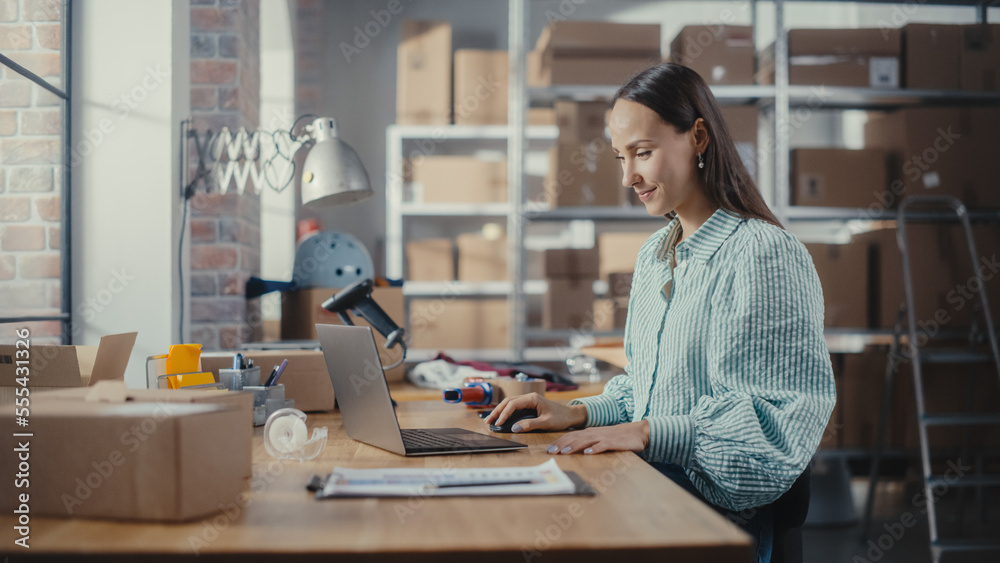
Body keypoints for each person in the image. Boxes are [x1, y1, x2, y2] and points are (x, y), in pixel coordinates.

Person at [484, 63, 836, 563]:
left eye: (642, 153)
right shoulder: (657, 255)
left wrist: (650, 432)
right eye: (620, 157)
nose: (629, 176)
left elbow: (769, 432)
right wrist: (579, 411)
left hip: (711, 518)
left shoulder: (762, 254)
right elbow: (646, 390)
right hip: (652, 489)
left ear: (697, 137)